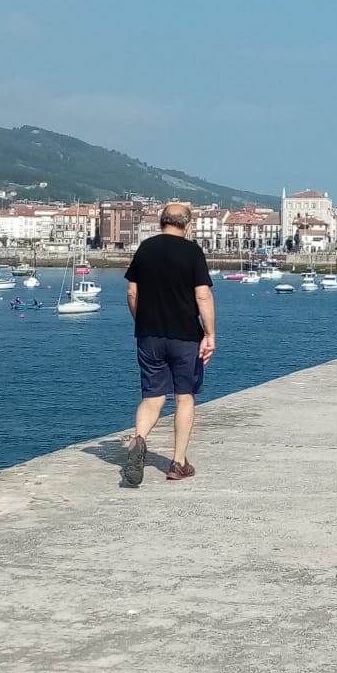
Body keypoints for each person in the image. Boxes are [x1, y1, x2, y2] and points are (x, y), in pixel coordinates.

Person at [121, 202, 217, 486]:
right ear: (186, 225)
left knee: (152, 397)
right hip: (185, 336)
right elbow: (202, 296)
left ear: (162, 221)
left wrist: (143, 321)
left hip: (149, 335)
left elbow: (132, 292)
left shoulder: (146, 249)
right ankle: (178, 463)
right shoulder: (192, 252)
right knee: (184, 396)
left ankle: (139, 440)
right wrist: (210, 333)